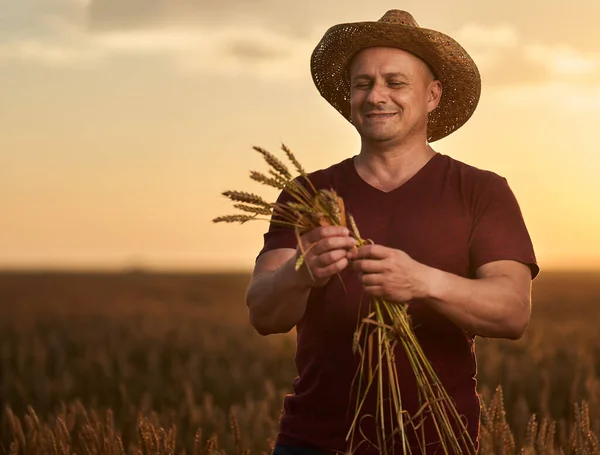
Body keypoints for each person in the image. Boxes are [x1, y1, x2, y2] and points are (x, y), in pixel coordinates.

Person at [245, 9, 539, 455]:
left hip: (437, 441)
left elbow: (513, 311)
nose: (376, 95)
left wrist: (421, 281)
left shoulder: (481, 191)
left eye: (395, 83)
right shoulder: (307, 193)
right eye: (363, 83)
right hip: (315, 443)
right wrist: (300, 274)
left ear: (433, 96)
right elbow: (263, 314)